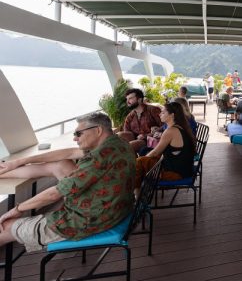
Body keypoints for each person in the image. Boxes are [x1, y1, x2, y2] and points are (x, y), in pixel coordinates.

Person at [0, 112, 135, 252]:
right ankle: (3, 172)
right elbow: (69, 153)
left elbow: (53, 195)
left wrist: (17, 209)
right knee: (61, 164)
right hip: (116, 208)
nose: (75, 138)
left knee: (7, 226)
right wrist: (20, 161)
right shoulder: (118, 143)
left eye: (78, 133)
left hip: (88, 220)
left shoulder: (97, 158)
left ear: (98, 130)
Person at [135, 102, 196, 193]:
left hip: (177, 174)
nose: (160, 114)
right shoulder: (179, 127)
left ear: (172, 115)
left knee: (139, 162)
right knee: (142, 161)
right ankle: (138, 195)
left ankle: (137, 196)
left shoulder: (171, 131)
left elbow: (156, 152)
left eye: (163, 112)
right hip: (183, 169)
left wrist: (141, 161)